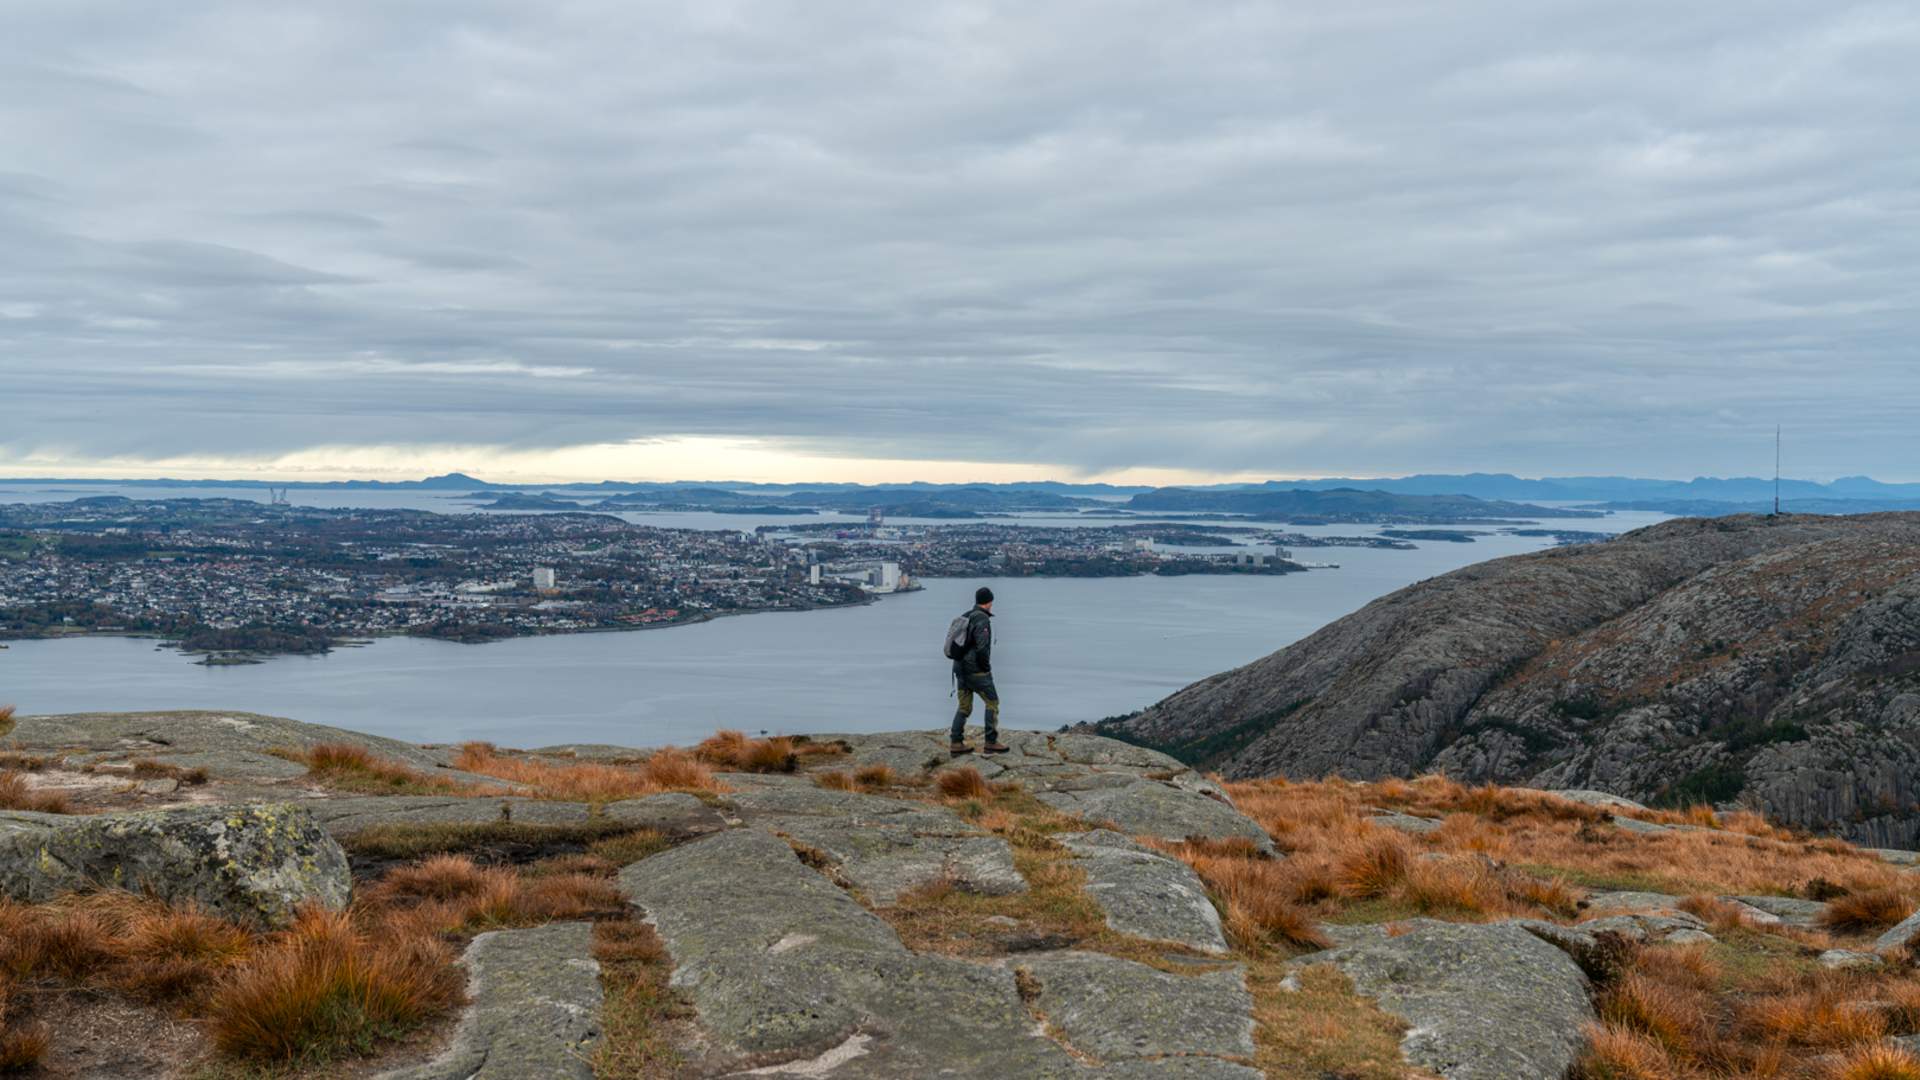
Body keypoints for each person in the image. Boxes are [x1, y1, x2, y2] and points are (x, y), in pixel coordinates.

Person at [950, 586, 1008, 755]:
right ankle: (991, 741)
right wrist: (986, 668)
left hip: (959, 668)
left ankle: (956, 742)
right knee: (992, 702)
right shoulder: (982, 619)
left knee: (964, 706)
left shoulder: (966, 616)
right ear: (989, 602)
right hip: (976, 671)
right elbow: (982, 648)